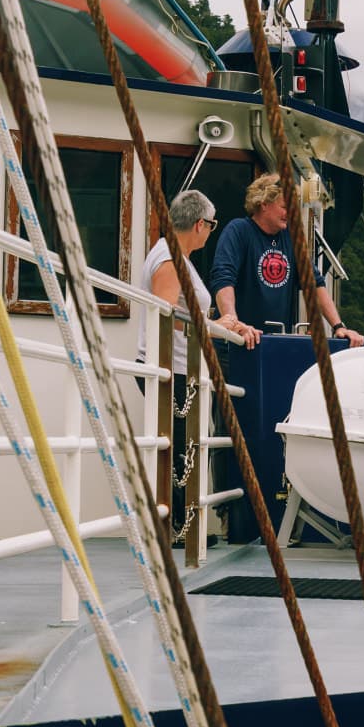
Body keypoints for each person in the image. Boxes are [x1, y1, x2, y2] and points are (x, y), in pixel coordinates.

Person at [135, 189, 222, 533]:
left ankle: (179, 528)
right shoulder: (171, 260)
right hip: (171, 370)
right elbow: (165, 314)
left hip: (182, 369)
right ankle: (175, 531)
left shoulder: (175, 257)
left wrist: (217, 324)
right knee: (178, 455)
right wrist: (214, 327)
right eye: (211, 225)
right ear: (200, 224)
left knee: (181, 452)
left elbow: (184, 312)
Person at [209, 172, 363, 347]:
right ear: (264, 203)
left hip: (275, 344)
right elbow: (223, 278)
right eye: (284, 206)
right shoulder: (238, 231)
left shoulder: (291, 238)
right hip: (236, 344)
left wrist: (338, 326)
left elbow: (314, 284)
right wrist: (234, 324)